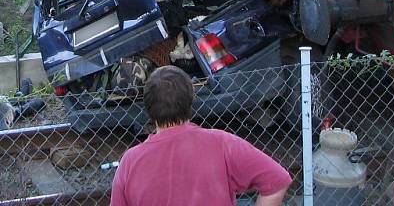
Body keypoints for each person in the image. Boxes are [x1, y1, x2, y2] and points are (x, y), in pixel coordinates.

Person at [111, 66, 291, 206]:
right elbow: (277, 181)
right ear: (190, 101)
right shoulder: (221, 143)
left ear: (148, 108)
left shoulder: (129, 162)